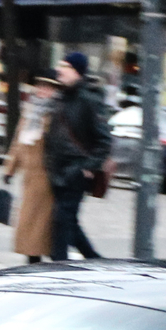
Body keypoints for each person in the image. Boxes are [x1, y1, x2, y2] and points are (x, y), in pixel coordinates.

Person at [42, 52, 110, 262]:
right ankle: (95, 260)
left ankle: (59, 268)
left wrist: (86, 167)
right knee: (68, 222)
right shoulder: (60, 97)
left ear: (78, 72)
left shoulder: (89, 99)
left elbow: (104, 140)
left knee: (61, 222)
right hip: (57, 172)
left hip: (75, 173)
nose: (60, 70)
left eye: (66, 67)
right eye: (61, 65)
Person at [1, 77, 58, 263]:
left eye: (48, 87)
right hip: (28, 177)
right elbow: (18, 141)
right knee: (29, 223)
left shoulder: (55, 112)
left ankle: (38, 259)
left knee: (39, 225)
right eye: (41, 86)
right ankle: (33, 258)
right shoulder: (30, 109)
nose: (42, 90)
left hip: (46, 177)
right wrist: (10, 169)